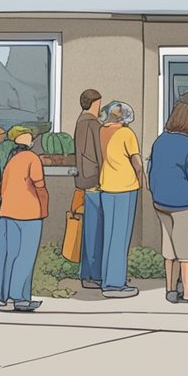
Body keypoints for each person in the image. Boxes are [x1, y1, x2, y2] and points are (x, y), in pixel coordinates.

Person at [148, 102, 188, 304]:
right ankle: (187, 293)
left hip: (160, 200)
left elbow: (152, 170)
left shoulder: (160, 141)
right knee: (186, 250)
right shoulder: (187, 144)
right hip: (182, 202)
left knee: (169, 248)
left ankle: (170, 289)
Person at [0, 126, 48, 312]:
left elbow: (1, 189)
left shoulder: (11, 160)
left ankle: (5, 298)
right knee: (25, 257)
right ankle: (17, 296)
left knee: (9, 256)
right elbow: (39, 185)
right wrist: (44, 206)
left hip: (7, 213)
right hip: (29, 214)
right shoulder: (32, 159)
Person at [96, 101, 143, 299]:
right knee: (121, 236)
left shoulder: (102, 132)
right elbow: (137, 162)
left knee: (109, 235)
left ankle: (107, 278)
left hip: (106, 185)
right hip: (125, 187)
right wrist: (142, 180)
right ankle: (115, 284)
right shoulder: (126, 134)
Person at [73, 88, 105, 289]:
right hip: (94, 181)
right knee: (95, 231)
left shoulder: (80, 122)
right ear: (94, 103)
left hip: (85, 181)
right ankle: (93, 275)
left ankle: (88, 273)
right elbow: (98, 153)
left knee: (90, 230)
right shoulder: (92, 124)